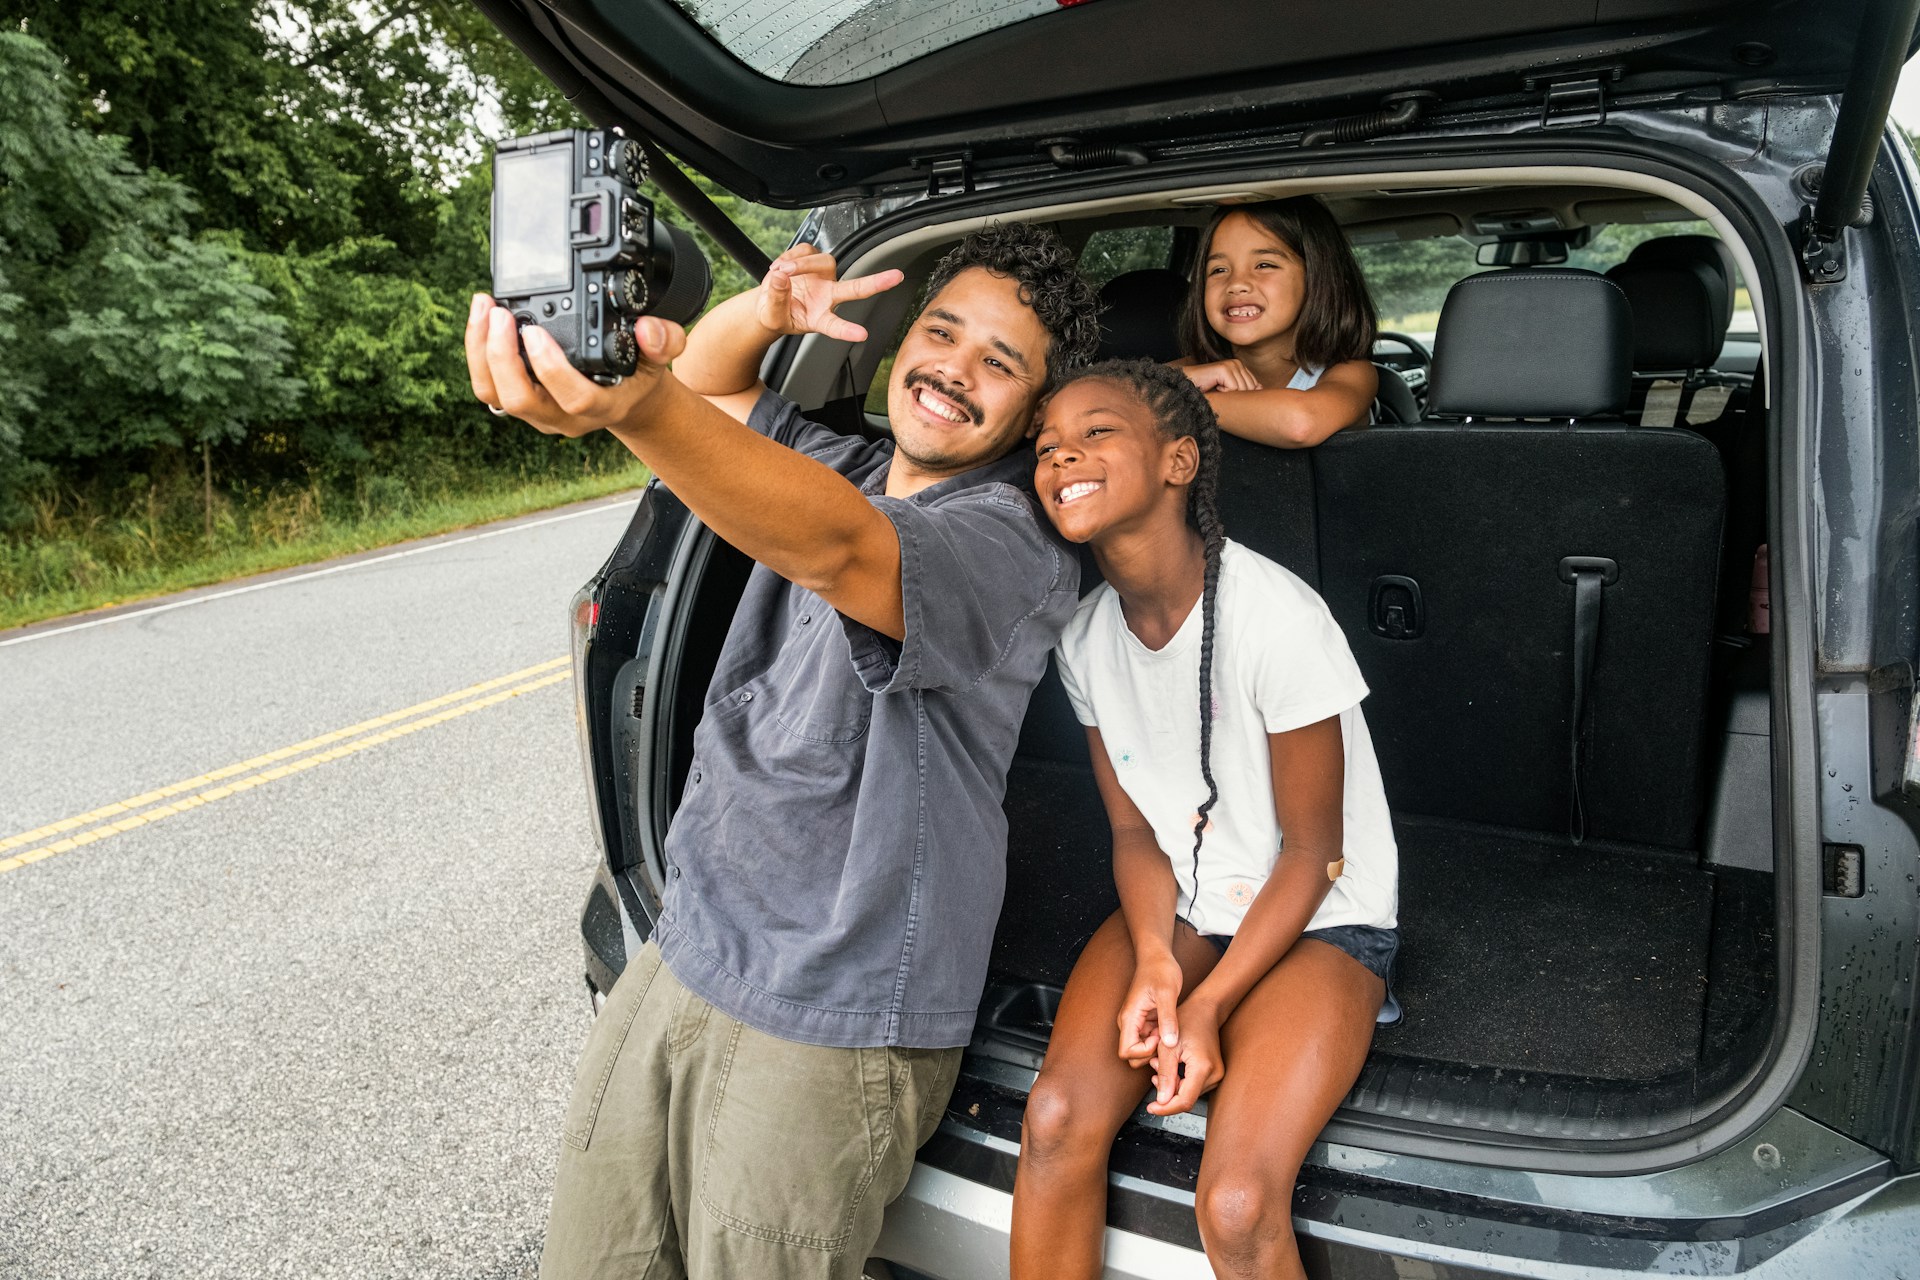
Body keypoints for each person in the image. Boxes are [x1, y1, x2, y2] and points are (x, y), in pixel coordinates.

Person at [463, 222, 1101, 1279]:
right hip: (693, 935)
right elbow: (712, 391)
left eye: (1001, 363)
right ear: (900, 349)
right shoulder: (835, 455)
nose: (954, 369)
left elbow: (844, 544)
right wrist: (761, 314)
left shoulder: (1015, 543)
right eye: (942, 333)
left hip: (838, 1007)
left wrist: (633, 401)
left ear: (1034, 414)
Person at [1009, 360, 1399, 1280]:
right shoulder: (1084, 637)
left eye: (1097, 431)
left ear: (1180, 460)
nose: (1063, 451)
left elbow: (1314, 852)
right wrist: (1155, 963)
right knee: (1056, 1120)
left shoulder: (1277, 617)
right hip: (1184, 904)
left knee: (1234, 1204)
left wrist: (1207, 1005)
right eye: (1046, 443)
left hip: (1321, 913)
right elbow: (1137, 833)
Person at [1175, 197, 1380, 447]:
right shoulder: (1197, 368)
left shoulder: (1351, 373)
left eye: (1264, 265)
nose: (1236, 284)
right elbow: (1116, 392)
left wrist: (1179, 395)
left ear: (1317, 278)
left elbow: (1300, 424)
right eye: (1218, 270)